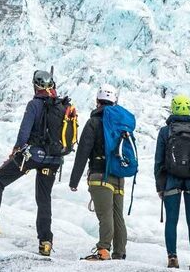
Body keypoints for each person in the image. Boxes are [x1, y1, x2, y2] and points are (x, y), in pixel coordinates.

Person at [0, 70, 71, 257]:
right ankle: (45, 241)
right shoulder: (62, 106)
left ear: (36, 86)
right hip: (54, 160)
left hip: (33, 156)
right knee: (44, 199)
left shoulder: (34, 105)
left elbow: (24, 134)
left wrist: (16, 151)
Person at [69, 84, 127, 261]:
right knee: (118, 215)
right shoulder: (120, 123)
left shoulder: (94, 122)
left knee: (105, 215)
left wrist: (74, 180)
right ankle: (119, 252)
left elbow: (83, 152)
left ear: (97, 101)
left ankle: (103, 250)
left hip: (100, 175)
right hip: (118, 176)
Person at [155, 95, 190, 270]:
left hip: (171, 181)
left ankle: (172, 258)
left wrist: (160, 186)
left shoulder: (165, 131)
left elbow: (159, 161)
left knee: (172, 220)